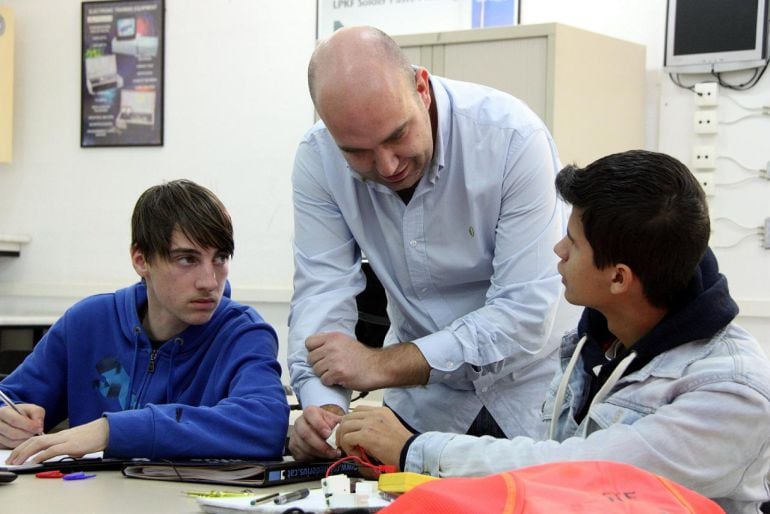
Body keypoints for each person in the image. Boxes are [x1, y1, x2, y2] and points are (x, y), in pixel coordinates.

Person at [335, 150, 770, 513]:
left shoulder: (731, 392)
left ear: (619, 278)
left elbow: (579, 470)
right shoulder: (599, 340)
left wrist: (416, 449)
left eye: (574, 242)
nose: (558, 251)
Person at [288, 25, 565, 461]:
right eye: (357, 151)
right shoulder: (319, 158)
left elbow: (525, 312)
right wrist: (323, 406)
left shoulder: (511, 137)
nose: (387, 164)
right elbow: (322, 293)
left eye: (397, 135)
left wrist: (379, 364)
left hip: (529, 397)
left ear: (422, 88)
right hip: (423, 408)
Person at [0, 179, 289, 464]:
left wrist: (112, 431)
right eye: (187, 259)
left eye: (220, 258)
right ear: (141, 259)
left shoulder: (243, 333)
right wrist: (8, 421)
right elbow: (10, 397)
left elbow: (266, 425)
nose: (209, 281)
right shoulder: (88, 323)